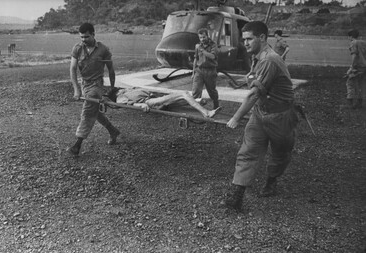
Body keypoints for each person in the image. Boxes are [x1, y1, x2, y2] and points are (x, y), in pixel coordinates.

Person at [224, 21, 299, 212]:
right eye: (244, 39)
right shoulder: (258, 57)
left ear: (262, 38)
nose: (245, 43)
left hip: (280, 116)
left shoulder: (269, 60)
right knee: (247, 151)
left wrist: (236, 117)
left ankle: (272, 179)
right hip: (260, 112)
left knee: (280, 153)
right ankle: (236, 197)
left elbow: (254, 94)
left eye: (249, 39)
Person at [67, 22, 120, 156]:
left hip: (97, 85)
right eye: (81, 37)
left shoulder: (103, 50)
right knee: (94, 111)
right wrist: (76, 89)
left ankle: (77, 145)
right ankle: (112, 130)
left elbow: (111, 70)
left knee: (87, 112)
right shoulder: (77, 48)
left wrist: (112, 89)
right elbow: (72, 69)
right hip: (84, 84)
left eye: (86, 37)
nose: (84, 40)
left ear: (93, 34)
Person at [107, 87, 221, 118]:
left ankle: (197, 102)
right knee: (184, 94)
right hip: (150, 102)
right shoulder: (120, 97)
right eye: (120, 90)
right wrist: (141, 105)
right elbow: (128, 104)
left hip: (155, 98)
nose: (122, 89)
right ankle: (206, 112)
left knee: (180, 98)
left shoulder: (130, 90)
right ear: (117, 92)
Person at [192, 28, 220, 109]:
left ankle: (216, 105)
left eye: (204, 37)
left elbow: (212, 56)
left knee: (212, 91)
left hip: (210, 71)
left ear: (207, 36)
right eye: (200, 37)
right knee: (196, 90)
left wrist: (202, 50)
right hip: (199, 70)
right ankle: (197, 108)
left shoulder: (213, 44)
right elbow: (195, 59)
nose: (202, 39)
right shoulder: (198, 46)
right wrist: (193, 72)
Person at [344, 29, 366, 109]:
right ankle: (360, 103)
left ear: (350, 36)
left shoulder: (353, 43)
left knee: (350, 83)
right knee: (361, 84)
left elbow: (354, 56)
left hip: (358, 67)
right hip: (364, 67)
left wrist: (351, 68)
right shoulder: (364, 42)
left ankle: (350, 103)